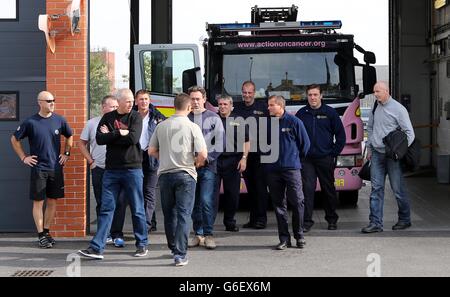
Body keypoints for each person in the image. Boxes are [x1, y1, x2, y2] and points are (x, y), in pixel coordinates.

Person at [78, 88, 148, 259]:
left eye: (133, 100)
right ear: (119, 101)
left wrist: (110, 135)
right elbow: (100, 140)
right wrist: (118, 133)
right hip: (111, 171)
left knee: (137, 208)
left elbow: (133, 138)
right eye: (128, 101)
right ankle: (97, 248)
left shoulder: (135, 117)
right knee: (106, 208)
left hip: (132, 169)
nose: (132, 103)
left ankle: (142, 244)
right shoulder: (108, 117)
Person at [148, 92, 208, 267]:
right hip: (186, 174)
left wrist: (165, 158)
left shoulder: (161, 126)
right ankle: (180, 254)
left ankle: (173, 248)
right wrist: (196, 163)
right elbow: (203, 154)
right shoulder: (192, 127)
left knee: (169, 214)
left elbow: (151, 151)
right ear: (189, 107)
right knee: (184, 214)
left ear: (174, 106)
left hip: (165, 174)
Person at [11, 91, 73, 248]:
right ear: (40, 102)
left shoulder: (60, 120)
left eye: (54, 100)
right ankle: (40, 235)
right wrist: (24, 157)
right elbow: (14, 139)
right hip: (39, 168)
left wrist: (66, 153)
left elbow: (70, 136)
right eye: (49, 100)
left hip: (55, 168)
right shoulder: (31, 122)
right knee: (38, 202)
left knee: (52, 201)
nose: (52, 103)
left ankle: (46, 232)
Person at [362, 81, 415, 233]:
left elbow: (409, 133)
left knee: (397, 189)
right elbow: (370, 127)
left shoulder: (399, 109)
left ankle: (405, 220)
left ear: (387, 91)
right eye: (374, 92)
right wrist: (370, 147)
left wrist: (400, 152)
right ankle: (375, 223)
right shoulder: (375, 106)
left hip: (393, 157)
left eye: (378, 91)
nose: (375, 94)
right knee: (376, 189)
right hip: (377, 155)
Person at [295, 84, 346, 232]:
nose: (312, 98)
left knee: (328, 189)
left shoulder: (330, 112)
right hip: (307, 160)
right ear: (307, 96)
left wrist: (333, 153)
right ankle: (306, 222)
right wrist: (300, 153)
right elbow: (295, 135)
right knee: (307, 190)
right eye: (310, 95)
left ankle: (331, 220)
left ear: (321, 96)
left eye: (315, 95)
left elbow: (341, 136)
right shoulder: (302, 113)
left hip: (325, 158)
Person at [78, 95, 127, 247]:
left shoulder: (120, 122)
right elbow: (81, 143)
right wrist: (90, 161)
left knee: (119, 202)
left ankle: (117, 234)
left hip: (118, 169)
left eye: (115, 106)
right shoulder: (92, 123)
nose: (114, 109)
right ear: (103, 107)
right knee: (102, 203)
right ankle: (103, 234)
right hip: (99, 168)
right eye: (111, 106)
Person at [266, 95, 310, 250]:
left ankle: (299, 236)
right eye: (269, 105)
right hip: (273, 170)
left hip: (291, 169)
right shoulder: (267, 123)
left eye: (271, 105)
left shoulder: (294, 122)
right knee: (278, 205)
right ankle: (284, 238)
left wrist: (294, 159)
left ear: (280, 106)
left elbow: (305, 144)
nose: (268, 108)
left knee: (297, 201)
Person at [187, 86, 224, 249]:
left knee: (206, 201)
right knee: (194, 202)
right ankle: (198, 234)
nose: (195, 102)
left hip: (209, 167)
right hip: (189, 167)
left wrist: (206, 159)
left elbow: (220, 143)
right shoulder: (184, 118)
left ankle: (209, 234)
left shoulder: (214, 117)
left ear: (204, 99)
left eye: (197, 98)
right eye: (192, 98)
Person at [233, 81, 270, 229]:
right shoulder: (238, 108)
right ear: (242, 92)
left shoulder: (263, 108)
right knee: (251, 188)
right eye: (244, 92)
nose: (247, 95)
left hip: (261, 154)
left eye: (249, 92)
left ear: (254, 93)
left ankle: (261, 219)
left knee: (260, 188)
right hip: (245, 154)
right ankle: (253, 219)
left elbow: (271, 128)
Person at [216, 95, 250, 232]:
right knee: (212, 196)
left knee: (232, 194)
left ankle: (230, 222)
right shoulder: (212, 119)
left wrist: (244, 158)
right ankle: (208, 225)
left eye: (225, 104)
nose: (222, 107)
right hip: (216, 161)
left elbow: (246, 141)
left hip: (233, 161)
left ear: (231, 106)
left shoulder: (239, 120)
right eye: (220, 104)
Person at [134, 89, 166, 234]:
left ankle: (145, 226)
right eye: (141, 99)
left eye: (146, 99)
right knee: (139, 192)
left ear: (149, 100)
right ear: (136, 101)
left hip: (151, 156)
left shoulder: (157, 116)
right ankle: (150, 222)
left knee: (149, 192)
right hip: (135, 156)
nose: (144, 102)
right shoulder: (131, 116)